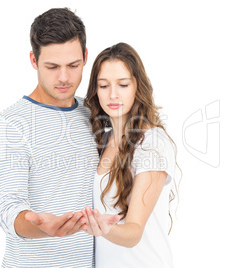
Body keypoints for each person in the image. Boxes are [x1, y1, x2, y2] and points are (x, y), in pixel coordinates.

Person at [0, 8, 118, 267]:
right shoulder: (12, 124)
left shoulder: (94, 113)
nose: (64, 77)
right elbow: (9, 211)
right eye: (52, 66)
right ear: (34, 61)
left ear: (85, 57)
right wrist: (40, 225)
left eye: (73, 65)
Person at [83, 42, 178, 267]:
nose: (113, 94)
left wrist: (105, 228)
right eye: (104, 85)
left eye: (123, 84)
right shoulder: (103, 140)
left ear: (137, 86)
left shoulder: (152, 143)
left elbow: (134, 231)